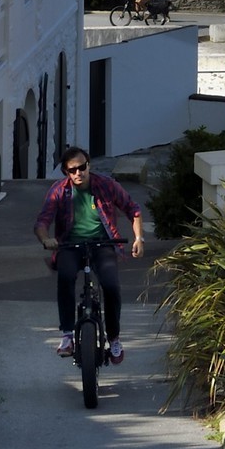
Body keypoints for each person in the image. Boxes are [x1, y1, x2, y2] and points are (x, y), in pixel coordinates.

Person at [34, 146, 144, 364]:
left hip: (103, 244)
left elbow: (133, 209)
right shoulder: (59, 191)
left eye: (82, 167)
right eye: (72, 170)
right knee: (65, 277)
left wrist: (139, 238)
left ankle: (113, 337)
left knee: (111, 285)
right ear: (66, 172)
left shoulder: (106, 185)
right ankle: (67, 335)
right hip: (70, 245)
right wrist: (46, 239)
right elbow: (42, 222)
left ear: (89, 165)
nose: (78, 173)